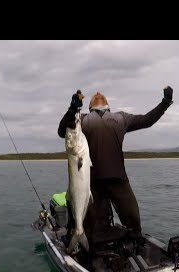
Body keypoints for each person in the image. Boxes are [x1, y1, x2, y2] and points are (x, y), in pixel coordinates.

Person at [58, 86, 173, 253]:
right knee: (90, 226)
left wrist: (166, 102)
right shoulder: (81, 119)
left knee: (133, 218)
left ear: (107, 105)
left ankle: (136, 249)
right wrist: (72, 108)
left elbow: (147, 120)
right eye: (94, 96)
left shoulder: (121, 118)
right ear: (89, 106)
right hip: (91, 183)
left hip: (118, 179)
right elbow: (63, 131)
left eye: (100, 94)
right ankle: (87, 250)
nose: (97, 93)